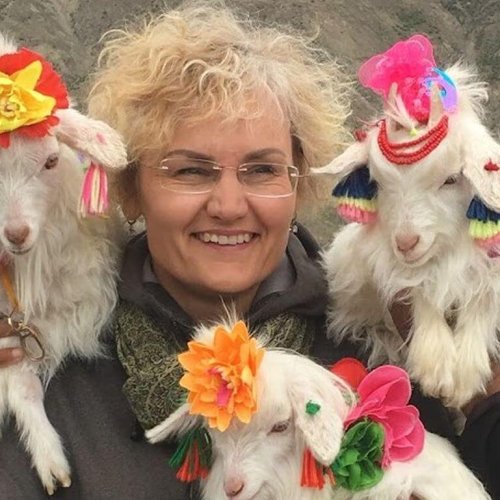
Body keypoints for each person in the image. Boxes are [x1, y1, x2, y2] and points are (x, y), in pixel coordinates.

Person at [0, 3, 496, 499]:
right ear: (130, 187)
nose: (229, 206)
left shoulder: (387, 340)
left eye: (262, 170)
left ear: (298, 183)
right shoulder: (44, 356)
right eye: (190, 171)